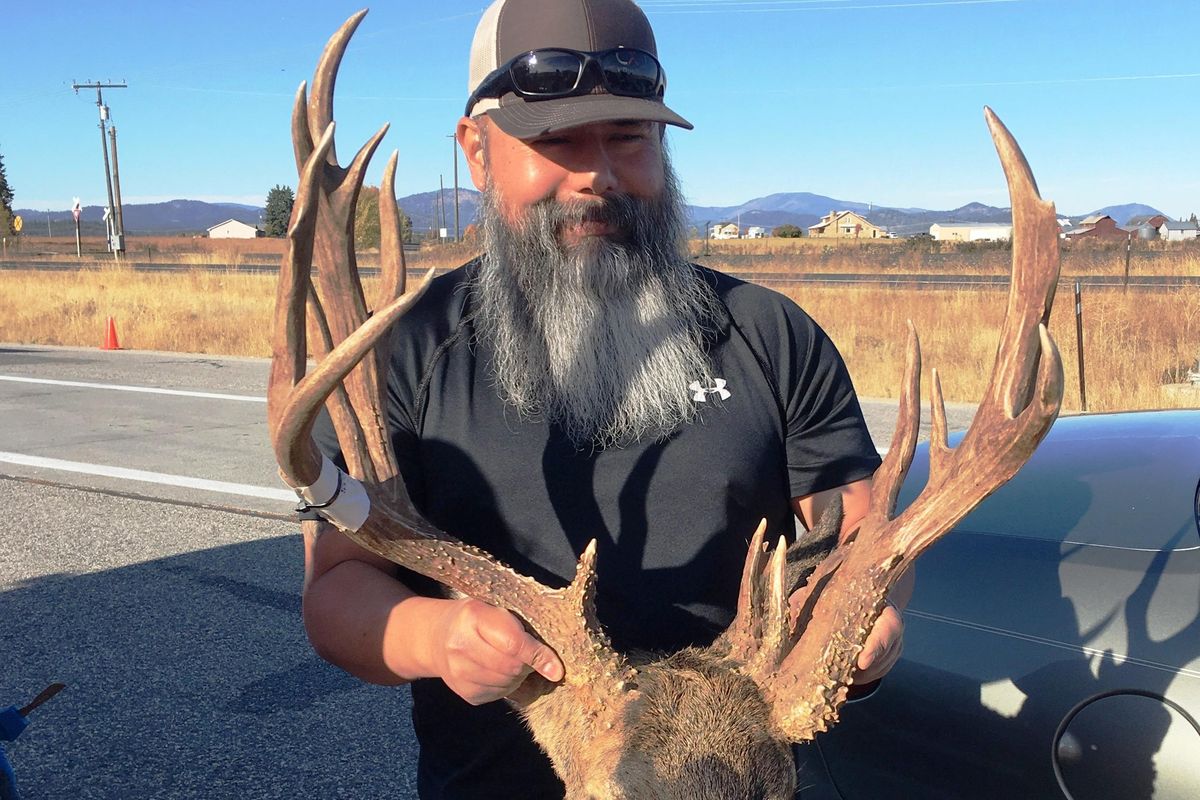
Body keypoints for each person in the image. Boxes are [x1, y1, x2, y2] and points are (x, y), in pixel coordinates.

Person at [302, 0, 909, 796]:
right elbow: (336, 587)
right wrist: (437, 634)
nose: (596, 173)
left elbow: (861, 532)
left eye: (628, 137)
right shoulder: (401, 354)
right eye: (554, 140)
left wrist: (868, 625)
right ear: (477, 153)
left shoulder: (771, 336)